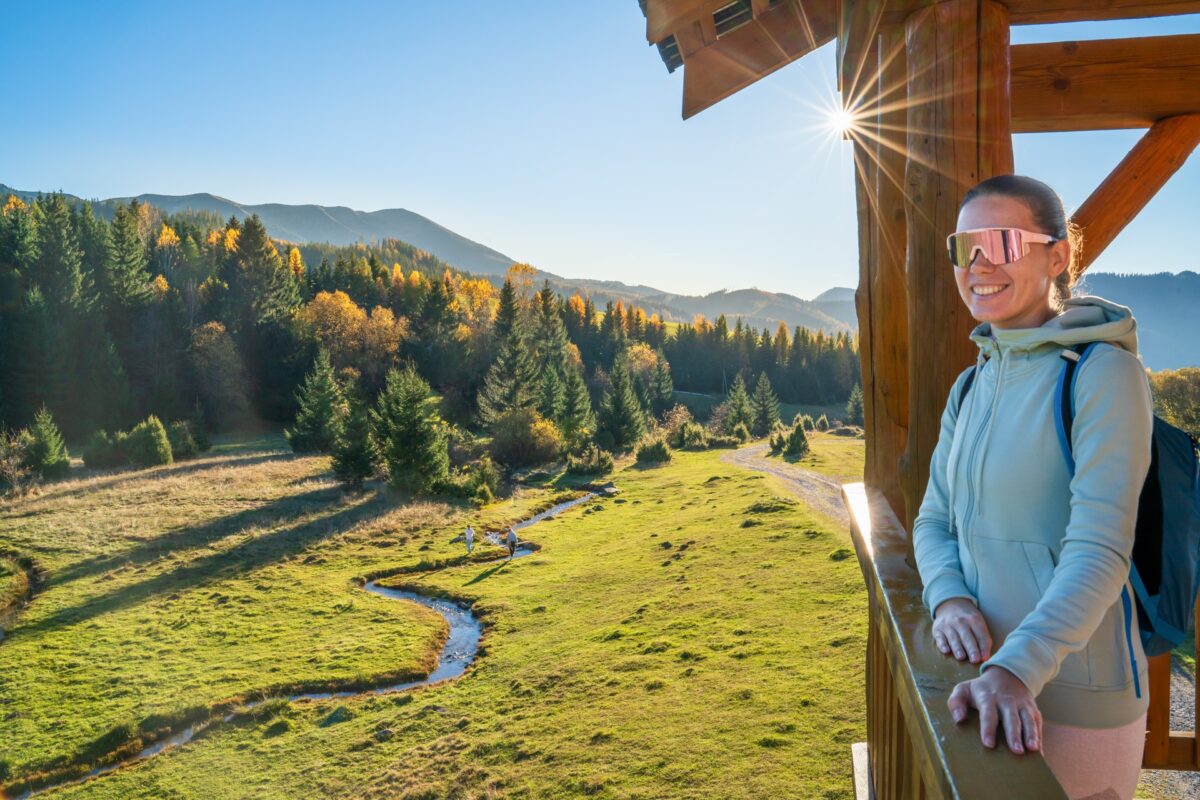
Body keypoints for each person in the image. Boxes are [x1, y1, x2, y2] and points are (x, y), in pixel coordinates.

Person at [912, 174, 1152, 800]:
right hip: (981, 677)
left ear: (1057, 256)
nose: (980, 263)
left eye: (1002, 241)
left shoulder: (1104, 374)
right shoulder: (971, 384)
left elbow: (1100, 549)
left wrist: (1018, 668)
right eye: (965, 247)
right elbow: (933, 519)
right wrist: (948, 599)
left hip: (1075, 696)